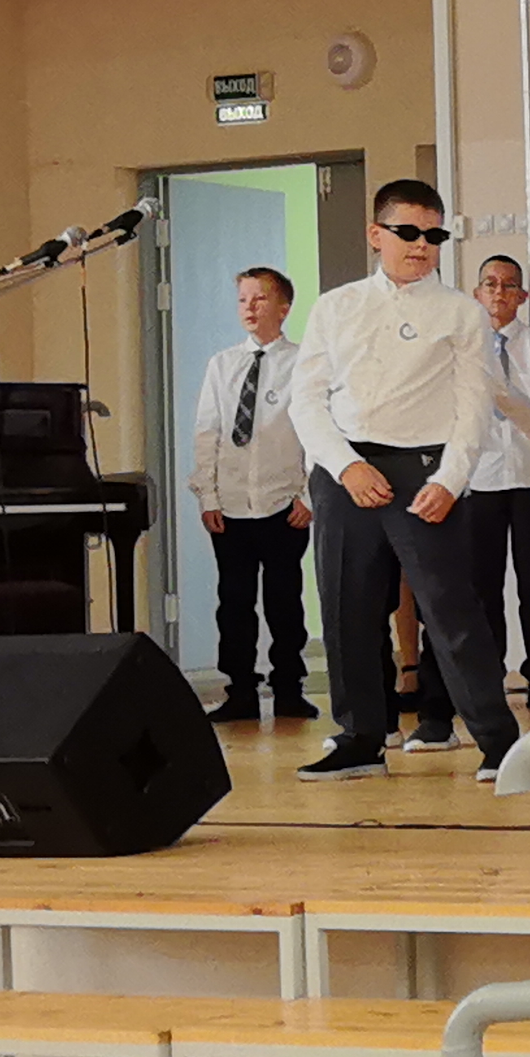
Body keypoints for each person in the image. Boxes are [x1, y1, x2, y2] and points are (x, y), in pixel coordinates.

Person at [294, 180, 518, 782]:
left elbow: (475, 405)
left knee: (451, 611)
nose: (422, 245)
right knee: (348, 609)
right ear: (376, 235)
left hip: (425, 472)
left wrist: (451, 479)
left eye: (433, 234)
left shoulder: (461, 312)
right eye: (408, 232)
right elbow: (306, 399)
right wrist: (344, 465)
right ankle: (361, 738)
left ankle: (500, 743)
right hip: (346, 471)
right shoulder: (335, 307)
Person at [424, 256, 530, 746]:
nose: (499, 293)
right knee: (482, 587)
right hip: (479, 481)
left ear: (523, 296)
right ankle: (488, 681)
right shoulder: (462, 350)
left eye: (509, 286)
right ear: (476, 293)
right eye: (490, 284)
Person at [187, 265, 312, 722]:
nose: (250, 308)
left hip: (283, 504)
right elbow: (208, 433)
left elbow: (316, 433)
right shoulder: (222, 365)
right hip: (233, 505)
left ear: (283, 307)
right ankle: (240, 689)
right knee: (234, 603)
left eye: (260, 299)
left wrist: (309, 496)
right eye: (243, 299)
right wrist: (208, 496)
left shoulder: (303, 363)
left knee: (284, 601)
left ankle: (289, 688)